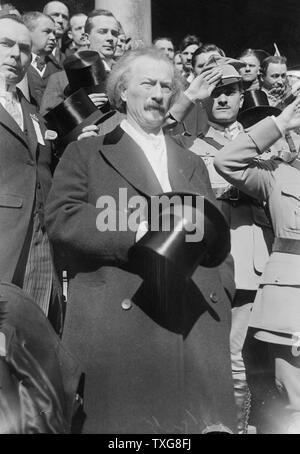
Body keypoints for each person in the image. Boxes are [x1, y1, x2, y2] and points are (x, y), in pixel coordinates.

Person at [45, 47, 237, 434]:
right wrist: (134, 233)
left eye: (167, 85)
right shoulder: (88, 152)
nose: (159, 93)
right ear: (121, 92)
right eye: (147, 83)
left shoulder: (191, 161)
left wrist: (224, 292)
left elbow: (215, 235)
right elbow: (62, 219)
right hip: (123, 324)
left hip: (196, 324)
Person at [175, 59, 275, 433]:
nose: (222, 98)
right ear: (203, 99)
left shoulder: (261, 141)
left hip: (250, 258)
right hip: (202, 263)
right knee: (202, 353)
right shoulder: (185, 145)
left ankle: (234, 428)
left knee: (237, 356)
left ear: (240, 96)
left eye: (229, 91)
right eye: (214, 91)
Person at [214, 95, 300, 434]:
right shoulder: (279, 176)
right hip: (293, 304)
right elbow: (226, 161)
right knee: (295, 408)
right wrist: (277, 125)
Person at [0, 13, 63, 329]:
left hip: (40, 245)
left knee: (32, 343)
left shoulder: (32, 113)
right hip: (3, 244)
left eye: (24, 48)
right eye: (6, 44)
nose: (15, 54)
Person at [23, 12, 60, 108]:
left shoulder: (58, 68)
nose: (53, 37)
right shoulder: (18, 66)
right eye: (47, 32)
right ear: (27, 32)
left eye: (54, 33)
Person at [43, 1, 70, 66]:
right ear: (43, 17)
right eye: (55, 15)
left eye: (64, 17)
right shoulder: (31, 51)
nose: (60, 20)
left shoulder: (69, 56)